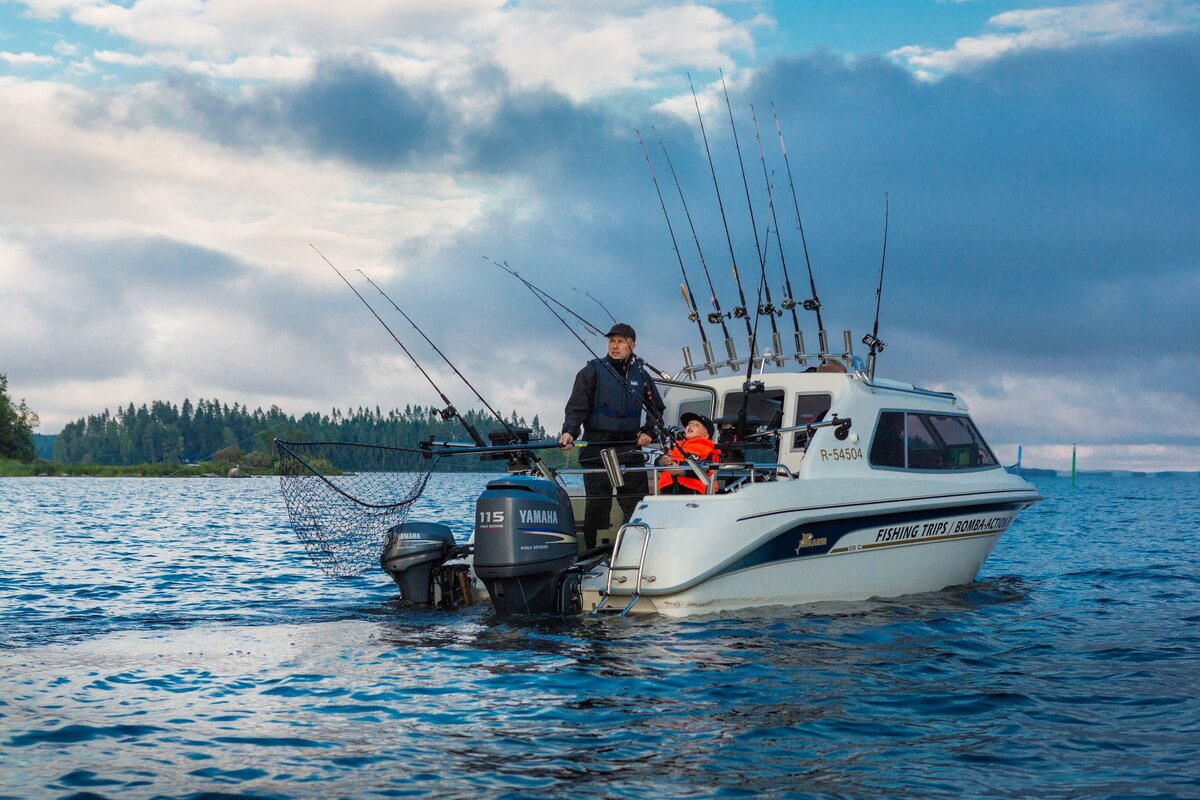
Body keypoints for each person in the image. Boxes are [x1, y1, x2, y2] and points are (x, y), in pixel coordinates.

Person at [559, 323, 666, 549]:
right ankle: (593, 551)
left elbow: (657, 410)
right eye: (611, 341)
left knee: (636, 502)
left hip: (629, 448)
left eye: (620, 341)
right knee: (598, 505)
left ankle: (633, 546)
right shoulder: (591, 371)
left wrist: (648, 432)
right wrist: (569, 431)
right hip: (597, 447)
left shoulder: (642, 376)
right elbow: (576, 408)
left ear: (632, 345)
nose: (615, 346)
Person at [658, 412, 720, 495]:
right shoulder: (675, 444)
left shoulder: (706, 449)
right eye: (689, 424)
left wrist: (681, 471)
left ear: (705, 436)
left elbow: (705, 469)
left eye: (697, 425)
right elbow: (657, 464)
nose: (691, 425)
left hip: (691, 493)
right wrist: (661, 461)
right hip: (667, 491)